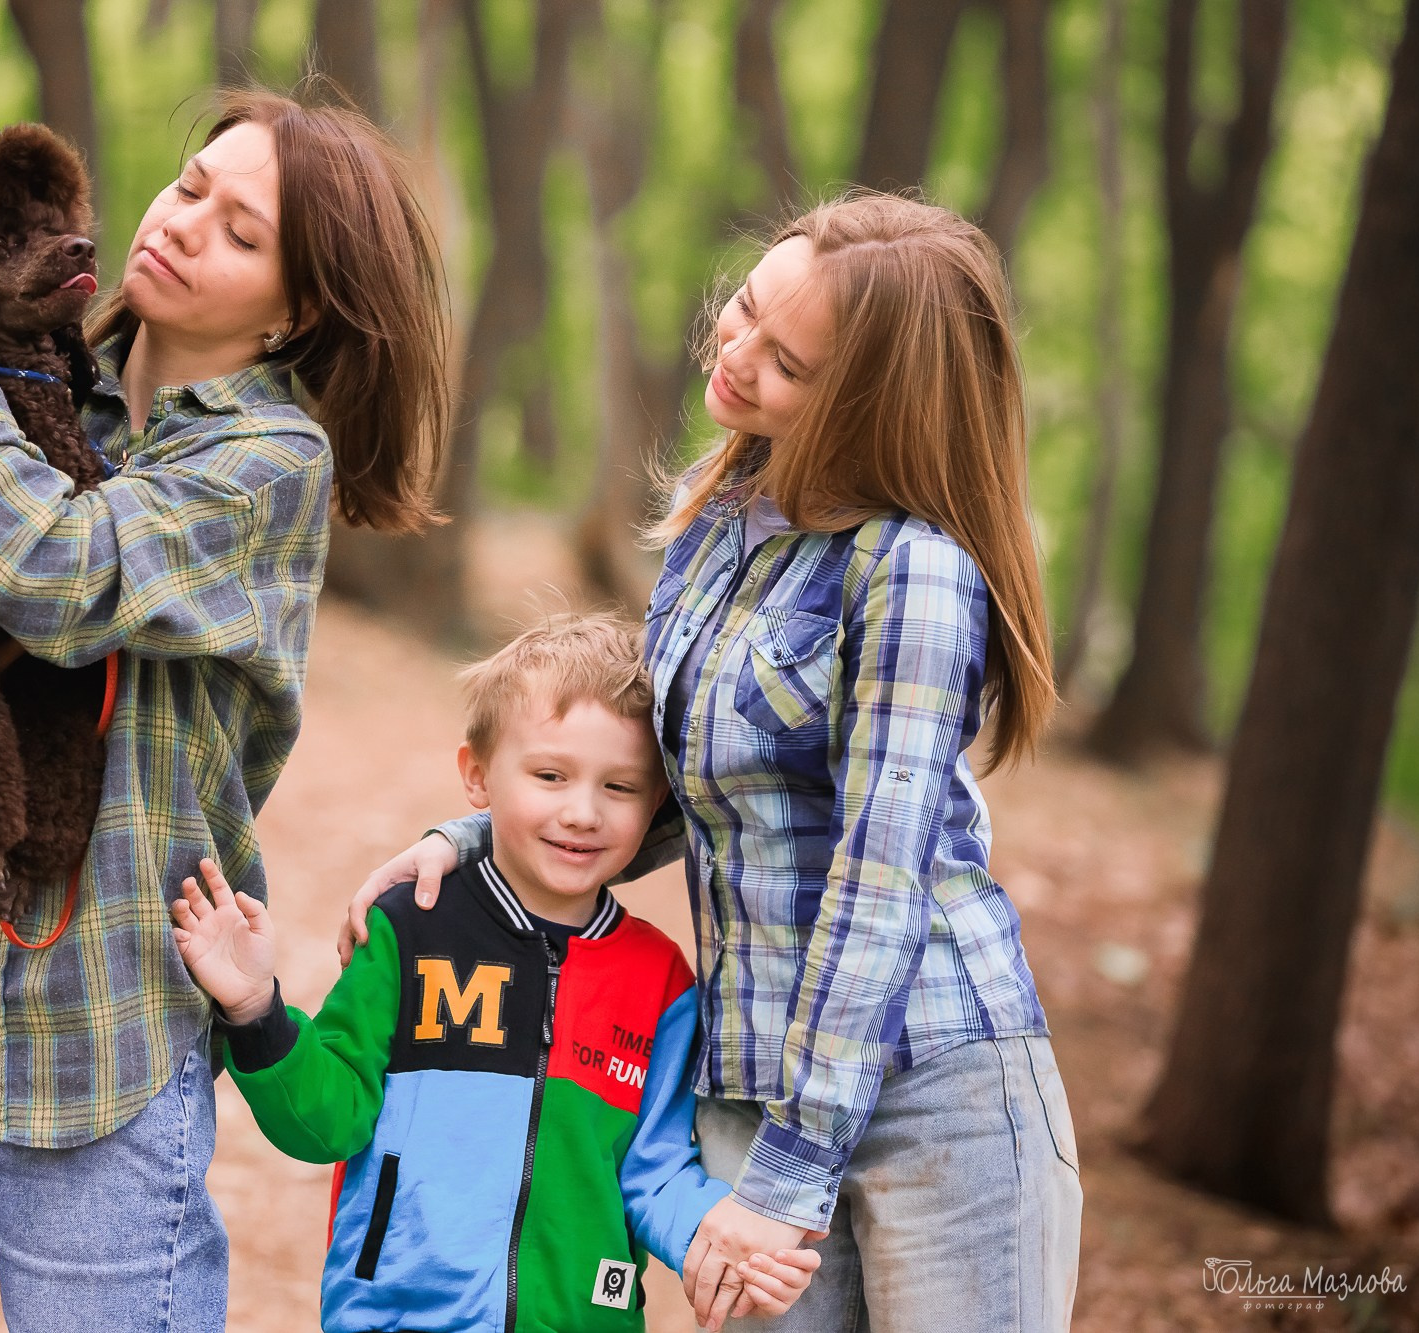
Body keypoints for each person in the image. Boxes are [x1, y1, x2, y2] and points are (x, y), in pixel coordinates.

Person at [0, 89, 450, 1331]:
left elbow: (53, 575)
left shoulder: (268, 464)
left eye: (242, 230)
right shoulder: (12, 385)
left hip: (98, 1015)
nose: (181, 221)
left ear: (299, 306)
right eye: (190, 184)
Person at [344, 193, 1082, 1331]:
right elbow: (690, 797)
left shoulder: (913, 573)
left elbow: (876, 884)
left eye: (784, 361)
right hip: (749, 1073)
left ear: (866, 402)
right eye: (742, 311)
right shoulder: (718, 524)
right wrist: (470, 845)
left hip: (934, 1089)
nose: (734, 356)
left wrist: (790, 1177)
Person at [172, 613, 821, 1332]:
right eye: (550, 775)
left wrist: (720, 1241)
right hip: (399, 1315)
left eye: (620, 786)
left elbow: (654, 1170)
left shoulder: (659, 980)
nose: (582, 811)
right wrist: (256, 1008)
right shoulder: (410, 927)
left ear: (657, 802)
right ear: (478, 776)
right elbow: (327, 1121)